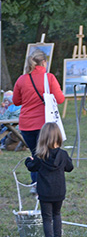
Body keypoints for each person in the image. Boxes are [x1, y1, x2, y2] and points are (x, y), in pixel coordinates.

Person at [12, 50, 65, 190]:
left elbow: (16, 101)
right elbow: (60, 99)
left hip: (26, 124)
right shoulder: (49, 78)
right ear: (44, 63)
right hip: (45, 124)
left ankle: (35, 184)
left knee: (35, 154)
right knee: (47, 155)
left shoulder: (22, 79)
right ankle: (46, 185)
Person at [25, 122, 73, 237]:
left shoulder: (39, 156)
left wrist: (27, 160)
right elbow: (70, 168)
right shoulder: (63, 154)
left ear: (42, 138)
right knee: (57, 214)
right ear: (58, 137)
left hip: (45, 192)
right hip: (59, 191)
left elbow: (31, 166)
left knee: (47, 218)